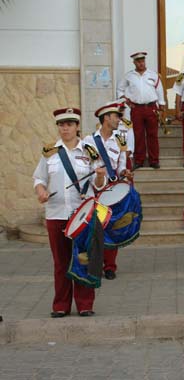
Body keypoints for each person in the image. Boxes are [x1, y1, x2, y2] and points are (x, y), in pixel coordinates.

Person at [33, 107, 107, 317]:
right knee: (61, 262)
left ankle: (85, 303)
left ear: (77, 127)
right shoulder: (50, 152)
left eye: (69, 124)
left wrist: (100, 176)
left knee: (84, 257)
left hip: (83, 214)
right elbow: (39, 178)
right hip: (56, 213)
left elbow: (99, 185)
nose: (65, 128)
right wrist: (41, 191)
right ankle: (60, 305)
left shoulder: (89, 151)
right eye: (61, 125)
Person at [85, 103, 133, 280]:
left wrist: (124, 172)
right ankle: (94, 263)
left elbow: (120, 166)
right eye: (116, 116)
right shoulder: (89, 141)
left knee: (112, 227)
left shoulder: (120, 141)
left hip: (111, 189)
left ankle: (110, 266)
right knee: (95, 228)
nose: (119, 120)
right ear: (106, 118)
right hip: (94, 189)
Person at [117, 51, 166, 169]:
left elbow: (159, 90)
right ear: (134, 62)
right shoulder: (129, 76)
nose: (141, 63)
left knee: (152, 135)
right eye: (138, 61)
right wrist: (126, 101)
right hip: (137, 109)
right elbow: (120, 89)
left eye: (142, 61)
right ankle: (139, 160)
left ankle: (154, 160)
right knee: (138, 135)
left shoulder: (153, 74)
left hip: (151, 108)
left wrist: (162, 105)